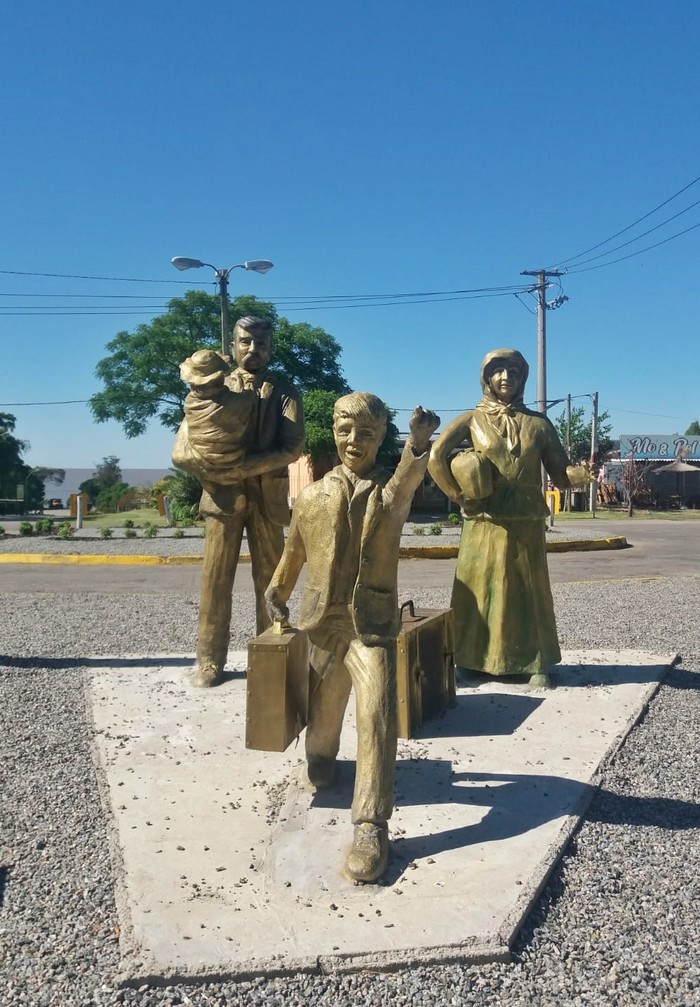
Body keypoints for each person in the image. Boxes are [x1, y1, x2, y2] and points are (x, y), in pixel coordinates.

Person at [265, 394, 440, 883]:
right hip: (322, 624)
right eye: (345, 431)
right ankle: (321, 756)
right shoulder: (312, 497)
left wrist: (418, 443)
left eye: (366, 434)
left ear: (381, 437)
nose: (353, 442)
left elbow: (408, 480)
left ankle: (370, 825)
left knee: (377, 712)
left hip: (371, 627)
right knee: (322, 728)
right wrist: (276, 590)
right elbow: (294, 552)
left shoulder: (389, 495)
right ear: (334, 431)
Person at [428, 348, 590, 688]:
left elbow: (560, 473)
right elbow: (435, 456)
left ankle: (534, 661)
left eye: (513, 372)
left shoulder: (539, 425)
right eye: (499, 371)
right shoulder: (472, 419)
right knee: (479, 588)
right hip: (483, 521)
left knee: (526, 591)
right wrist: (458, 497)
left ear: (521, 379)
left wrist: (579, 475)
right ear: (487, 377)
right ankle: (470, 659)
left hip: (526, 520)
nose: (506, 378)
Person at [172, 317, 304, 687]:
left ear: (271, 348)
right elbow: (184, 447)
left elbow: (293, 446)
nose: (252, 350)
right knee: (215, 580)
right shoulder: (211, 385)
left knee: (272, 580)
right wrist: (212, 470)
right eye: (245, 342)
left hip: (267, 498)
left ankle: (269, 654)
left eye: (261, 344)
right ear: (232, 345)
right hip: (221, 497)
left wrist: (247, 466)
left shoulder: (285, 392)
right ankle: (210, 660)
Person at [180, 348, 257, 470]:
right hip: (229, 458)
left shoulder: (190, 401)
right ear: (219, 378)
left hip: (201, 456)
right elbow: (250, 397)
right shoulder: (233, 402)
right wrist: (242, 382)